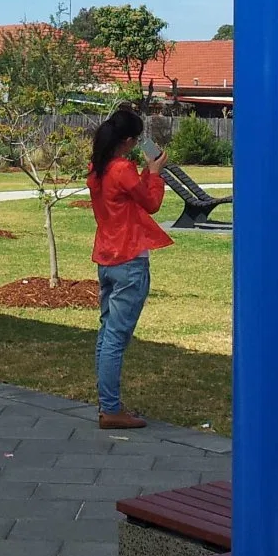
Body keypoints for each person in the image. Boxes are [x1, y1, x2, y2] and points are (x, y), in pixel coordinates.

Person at [86, 107, 173, 429]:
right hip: (129, 259)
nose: (138, 143)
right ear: (127, 140)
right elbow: (150, 204)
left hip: (107, 257)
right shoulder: (122, 168)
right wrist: (154, 172)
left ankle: (106, 403)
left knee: (107, 332)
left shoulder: (98, 167)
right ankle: (110, 409)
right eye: (136, 139)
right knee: (116, 338)